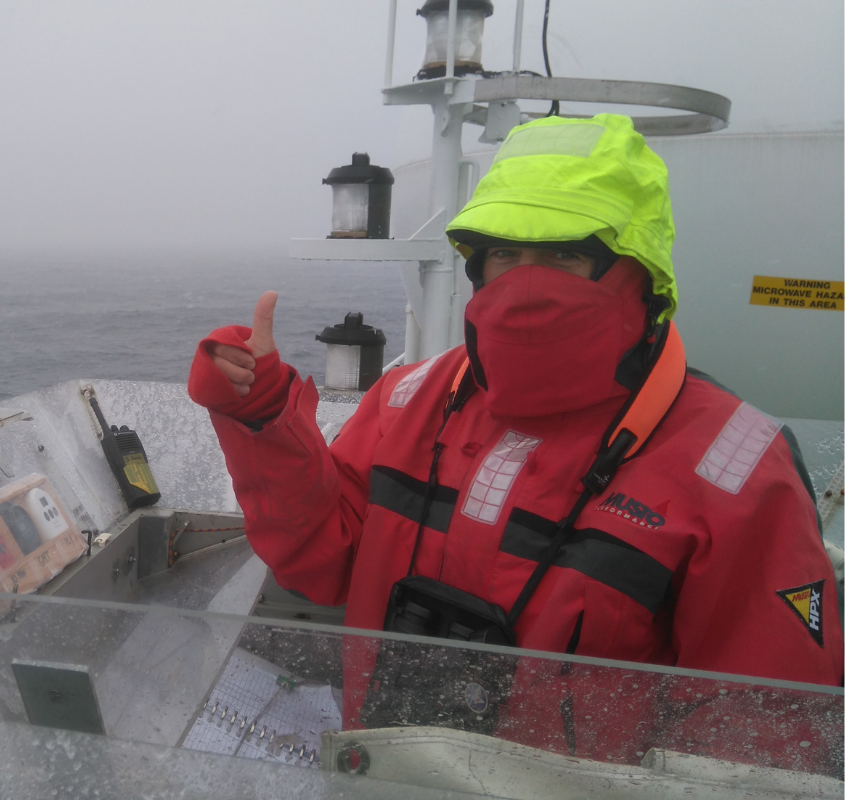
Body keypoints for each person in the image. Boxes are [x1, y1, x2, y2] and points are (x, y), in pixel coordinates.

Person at [187, 114, 842, 752]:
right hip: (384, 772)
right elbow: (321, 561)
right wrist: (264, 416)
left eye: (563, 254)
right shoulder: (409, 399)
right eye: (504, 252)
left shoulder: (738, 472)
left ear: (638, 272)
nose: (527, 282)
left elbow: (759, 730)